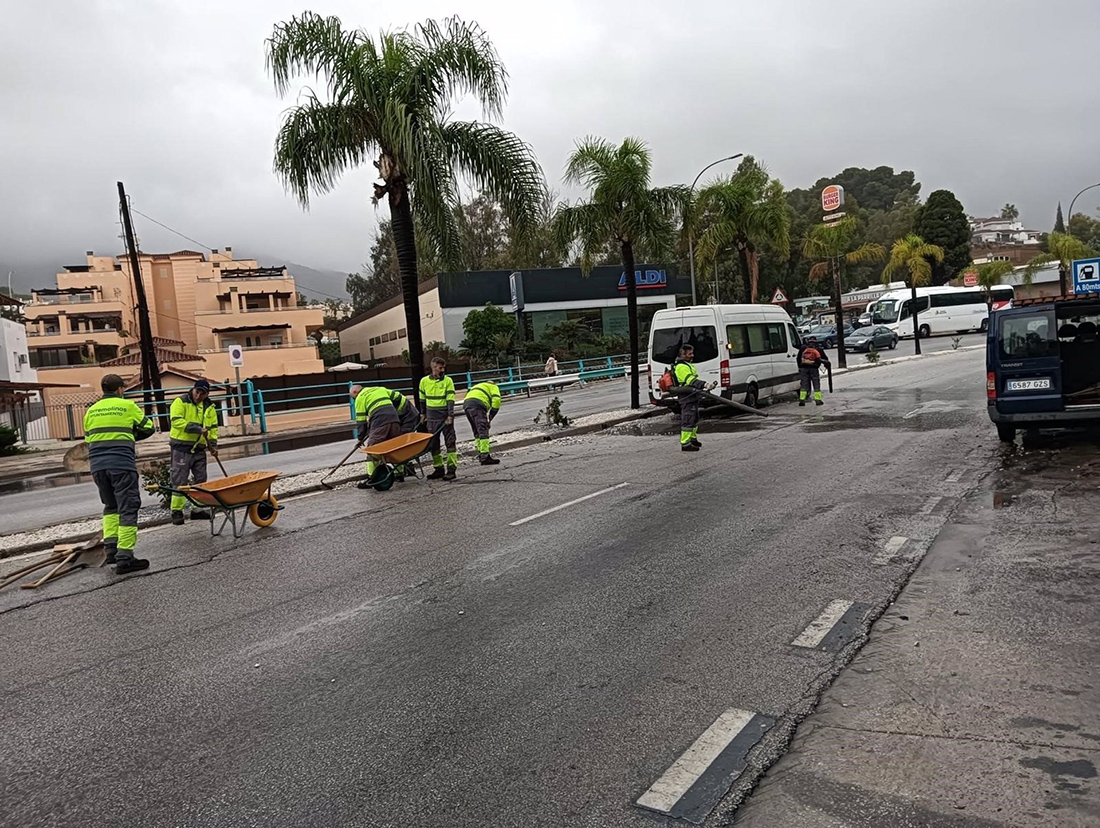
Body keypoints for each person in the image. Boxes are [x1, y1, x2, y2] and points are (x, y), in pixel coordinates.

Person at [84, 374, 155, 574]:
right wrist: (131, 435)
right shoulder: (127, 406)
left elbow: (89, 439)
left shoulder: (91, 411)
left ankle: (112, 551)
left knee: (110, 507)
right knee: (128, 507)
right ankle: (125, 558)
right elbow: (149, 427)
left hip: (97, 466)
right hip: (121, 464)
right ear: (120, 390)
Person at [168, 378, 219, 525]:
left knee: (201, 480)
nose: (198, 396)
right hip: (181, 448)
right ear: (193, 389)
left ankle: (198, 510)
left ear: (207, 394)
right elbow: (176, 421)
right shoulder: (180, 402)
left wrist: (213, 445)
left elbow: (213, 428)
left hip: (199, 449)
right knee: (179, 480)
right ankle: (176, 511)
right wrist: (197, 428)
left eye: (203, 394)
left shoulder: (210, 407)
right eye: (197, 392)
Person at [350, 384, 402, 487]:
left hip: (380, 422)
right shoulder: (379, 389)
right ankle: (399, 473)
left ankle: (371, 479)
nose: (353, 399)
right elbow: (398, 397)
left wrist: (360, 439)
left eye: (352, 397)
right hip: (394, 419)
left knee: (372, 450)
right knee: (395, 447)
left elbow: (361, 422)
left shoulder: (360, 398)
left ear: (355, 393)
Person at [419, 357, 458, 480]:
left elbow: (450, 399)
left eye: (443, 368)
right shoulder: (424, 381)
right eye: (440, 368)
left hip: (444, 417)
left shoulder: (448, 381)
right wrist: (423, 414)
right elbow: (422, 399)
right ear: (433, 368)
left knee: (450, 442)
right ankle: (438, 468)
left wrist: (450, 415)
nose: (442, 370)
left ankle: (451, 469)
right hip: (431, 418)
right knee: (433, 444)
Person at [672, 344, 715, 452]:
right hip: (686, 395)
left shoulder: (687, 365)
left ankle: (692, 439)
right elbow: (690, 380)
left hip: (692, 394)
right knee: (688, 418)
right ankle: (685, 444)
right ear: (683, 354)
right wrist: (705, 385)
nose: (692, 355)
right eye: (690, 353)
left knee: (694, 417)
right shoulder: (681, 367)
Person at [463, 380, 502, 465]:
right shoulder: (493, 387)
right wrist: (491, 416)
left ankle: (480, 453)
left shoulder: (478, 385)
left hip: (467, 404)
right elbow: (496, 400)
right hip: (478, 404)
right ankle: (485, 456)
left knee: (476, 430)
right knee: (483, 430)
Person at [797, 335, 830, 406]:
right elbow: (825, 359)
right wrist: (826, 365)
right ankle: (818, 400)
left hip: (804, 369)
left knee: (804, 384)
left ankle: (802, 400)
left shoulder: (803, 348)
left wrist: (799, 367)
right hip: (814, 369)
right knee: (816, 384)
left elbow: (798, 358)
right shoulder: (818, 349)